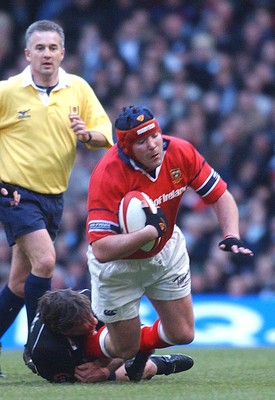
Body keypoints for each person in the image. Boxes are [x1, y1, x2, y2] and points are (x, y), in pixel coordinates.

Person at [86, 105, 254, 381]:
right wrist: (147, 233)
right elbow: (101, 250)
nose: (153, 145)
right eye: (142, 141)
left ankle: (142, 353)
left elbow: (220, 195)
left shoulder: (180, 151)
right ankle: (82, 347)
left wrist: (230, 234)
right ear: (126, 147)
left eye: (154, 135)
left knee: (183, 333)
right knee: (124, 347)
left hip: (166, 252)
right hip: (119, 265)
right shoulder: (108, 174)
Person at [0, 19, 113, 369]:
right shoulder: (7, 91)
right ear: (27, 53)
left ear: (62, 53)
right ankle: (39, 349)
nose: (46, 54)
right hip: (16, 194)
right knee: (46, 261)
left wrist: (87, 135)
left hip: (53, 197)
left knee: (20, 282)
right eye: (40, 48)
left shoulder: (77, 88)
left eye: (52, 48)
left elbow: (104, 133)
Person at [26, 288, 194, 383]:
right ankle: (159, 364)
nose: (92, 322)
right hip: (63, 361)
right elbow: (79, 377)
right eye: (83, 325)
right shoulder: (46, 350)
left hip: (109, 345)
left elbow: (132, 334)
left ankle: (147, 358)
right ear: (64, 331)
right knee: (124, 376)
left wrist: (107, 369)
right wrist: (101, 374)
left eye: (90, 315)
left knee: (129, 350)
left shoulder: (95, 298)